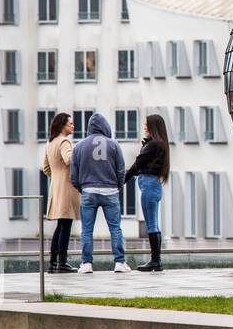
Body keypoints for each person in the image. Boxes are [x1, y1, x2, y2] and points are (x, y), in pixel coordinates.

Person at [68, 113, 129, 274]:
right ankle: (120, 262)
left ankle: (86, 263)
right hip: (111, 190)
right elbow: (121, 169)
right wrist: (118, 186)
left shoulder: (79, 146)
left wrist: (82, 188)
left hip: (88, 190)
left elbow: (73, 175)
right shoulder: (114, 144)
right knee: (115, 228)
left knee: (87, 230)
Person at [125, 114, 171, 272]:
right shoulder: (159, 144)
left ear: (153, 127)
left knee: (151, 224)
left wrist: (122, 180)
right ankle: (156, 261)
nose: (144, 127)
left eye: (147, 124)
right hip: (153, 185)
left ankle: (155, 261)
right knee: (153, 223)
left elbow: (137, 164)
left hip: (149, 185)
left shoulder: (153, 145)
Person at [40, 112, 81, 273]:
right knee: (66, 226)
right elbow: (69, 159)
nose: (73, 126)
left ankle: (53, 262)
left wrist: (56, 176)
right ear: (62, 125)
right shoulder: (65, 142)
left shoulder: (50, 142)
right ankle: (62, 262)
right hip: (66, 188)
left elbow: (46, 168)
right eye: (70, 123)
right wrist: (79, 152)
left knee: (60, 226)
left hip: (55, 187)